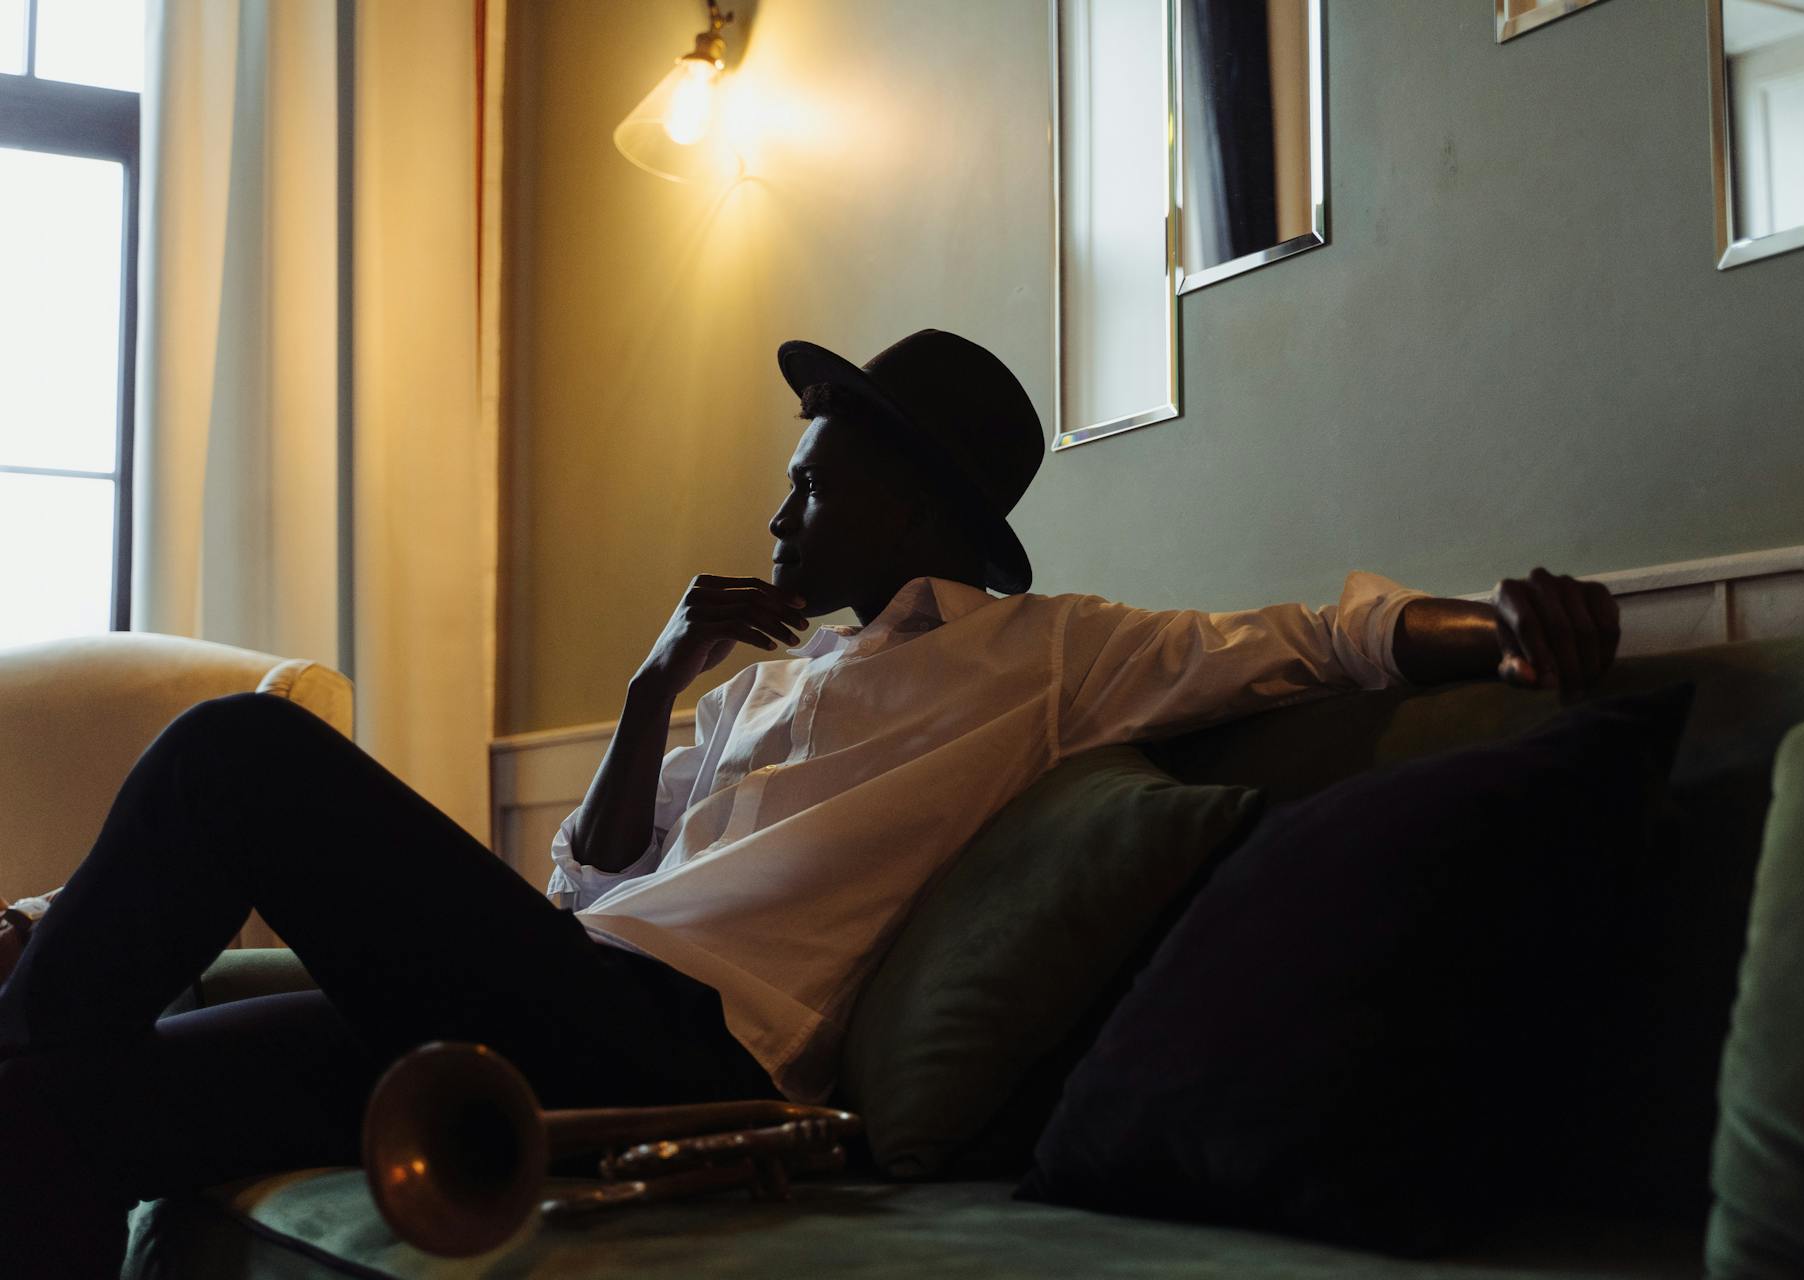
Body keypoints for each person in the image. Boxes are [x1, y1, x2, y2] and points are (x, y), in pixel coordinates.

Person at [0, 328, 1618, 1277]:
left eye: (814, 480)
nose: (778, 515)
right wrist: (649, 695)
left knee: (241, 753)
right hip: (562, 990)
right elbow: (586, 879)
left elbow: (1306, 640)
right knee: (86, 1105)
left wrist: (1502, 626)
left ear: (918, 501)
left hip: (686, 1051)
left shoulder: (1047, 658)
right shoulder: (760, 679)